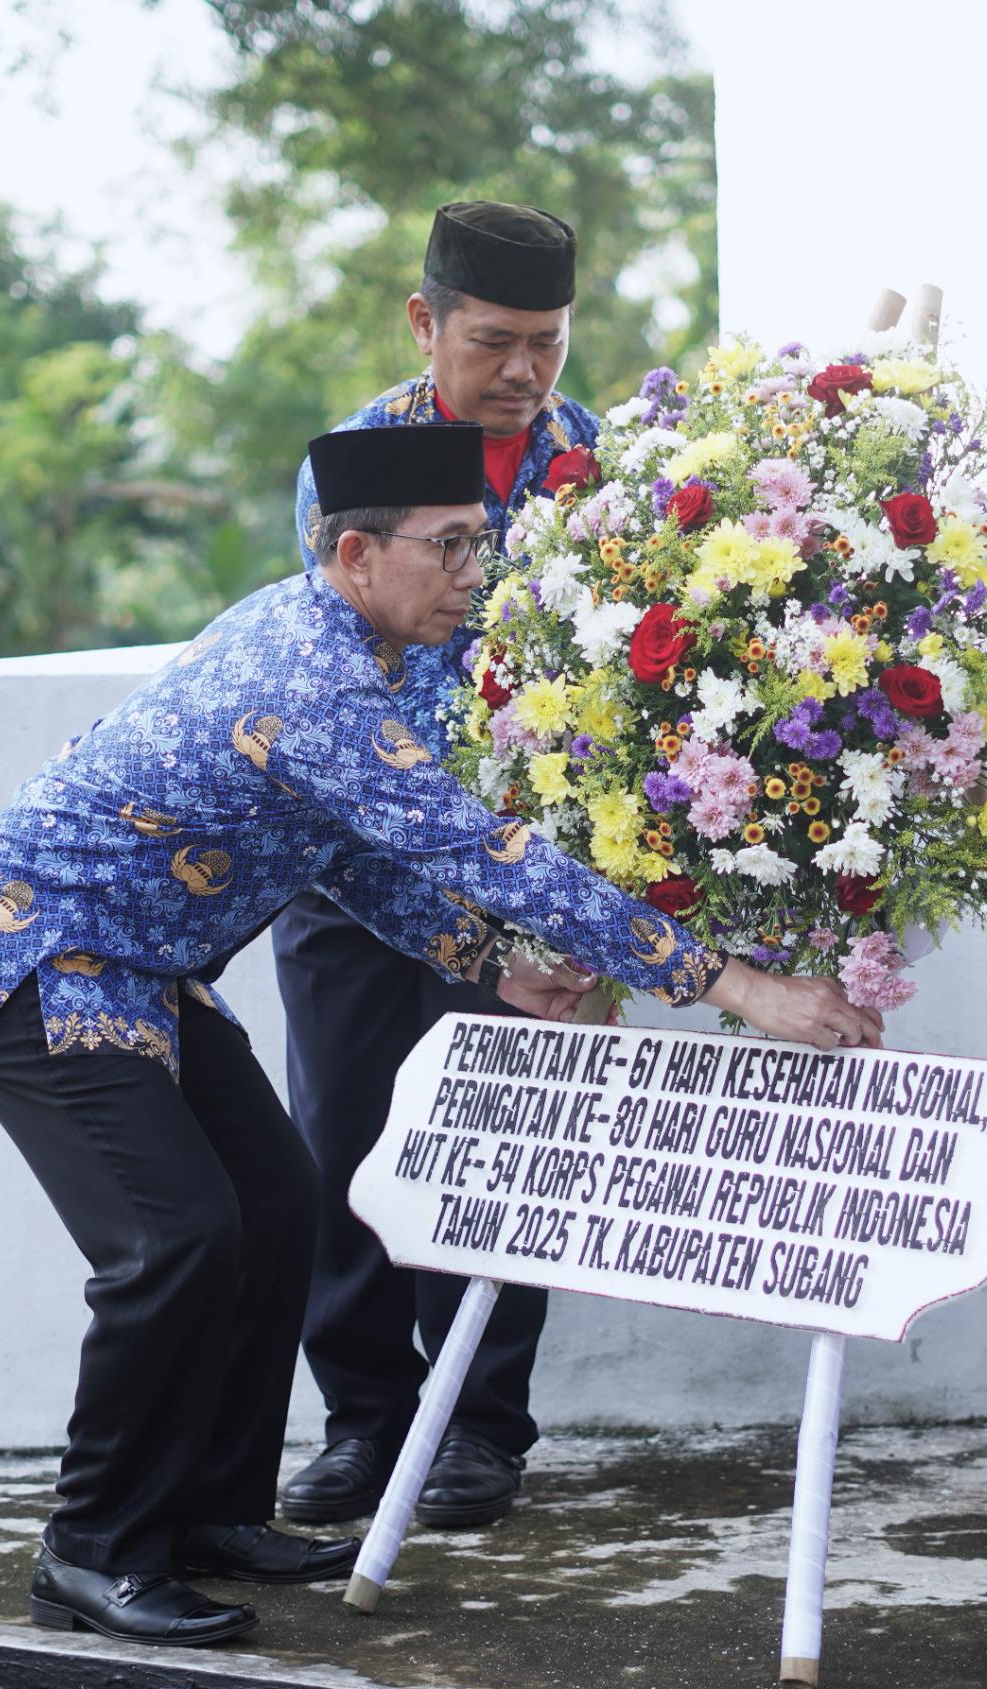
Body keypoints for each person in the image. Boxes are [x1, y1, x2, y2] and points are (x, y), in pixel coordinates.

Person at [0, 421, 881, 1648]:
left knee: (274, 1202)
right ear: (357, 551)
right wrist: (733, 981)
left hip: (143, 971)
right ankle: (91, 1546)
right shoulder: (312, 680)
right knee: (173, 1239)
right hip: (32, 961)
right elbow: (488, 851)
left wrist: (481, 963)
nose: (478, 572)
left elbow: (345, 849)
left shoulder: (343, 638)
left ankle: (209, 1510)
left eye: (482, 541)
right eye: (454, 547)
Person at [274, 200, 602, 1533]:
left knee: (499, 1150)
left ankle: (479, 1425)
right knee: (343, 1149)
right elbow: (345, 682)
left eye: (548, 341)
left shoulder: (623, 470)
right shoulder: (356, 461)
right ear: (426, 324)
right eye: (493, 340)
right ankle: (365, 1419)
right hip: (350, 863)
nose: (523, 371)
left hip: (519, 878)